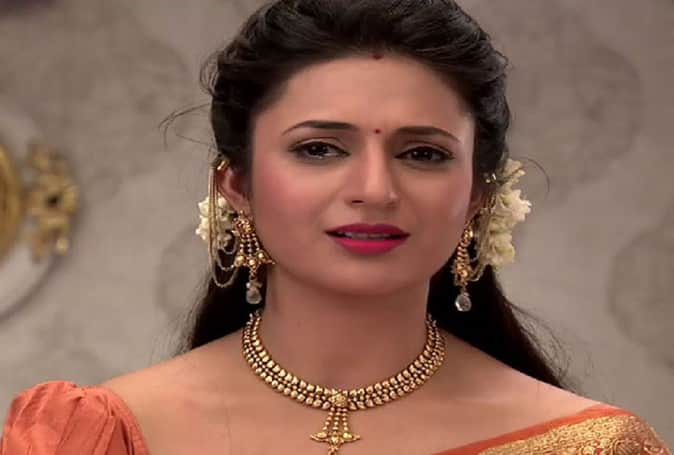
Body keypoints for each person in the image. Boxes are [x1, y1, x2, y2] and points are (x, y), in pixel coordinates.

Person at [1, 0, 671, 453]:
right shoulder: (96, 438)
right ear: (236, 186)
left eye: (423, 154)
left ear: (477, 195)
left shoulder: (591, 447)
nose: (374, 189)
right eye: (319, 148)